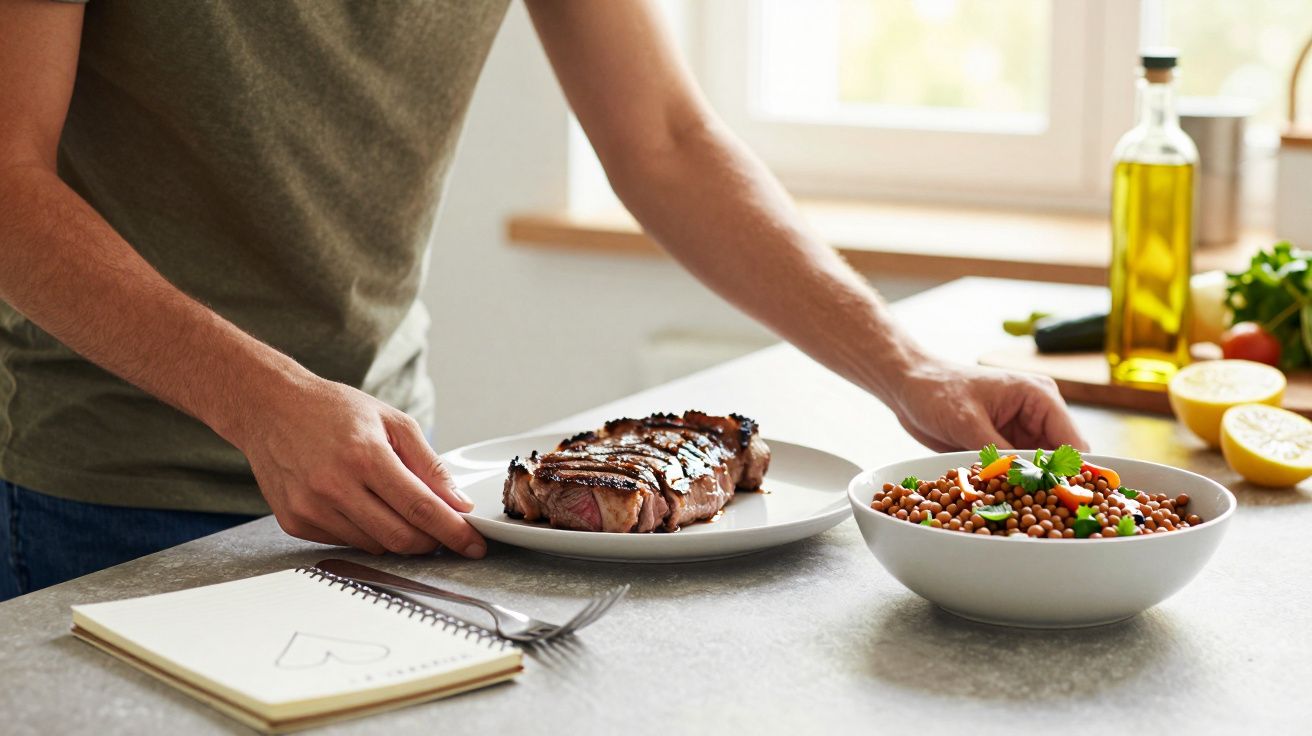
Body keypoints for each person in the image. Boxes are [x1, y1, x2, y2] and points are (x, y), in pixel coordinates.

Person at [0, 0, 1086, 600]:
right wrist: (263, 402)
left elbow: (663, 139)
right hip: (106, 498)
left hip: (393, 482)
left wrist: (910, 366)